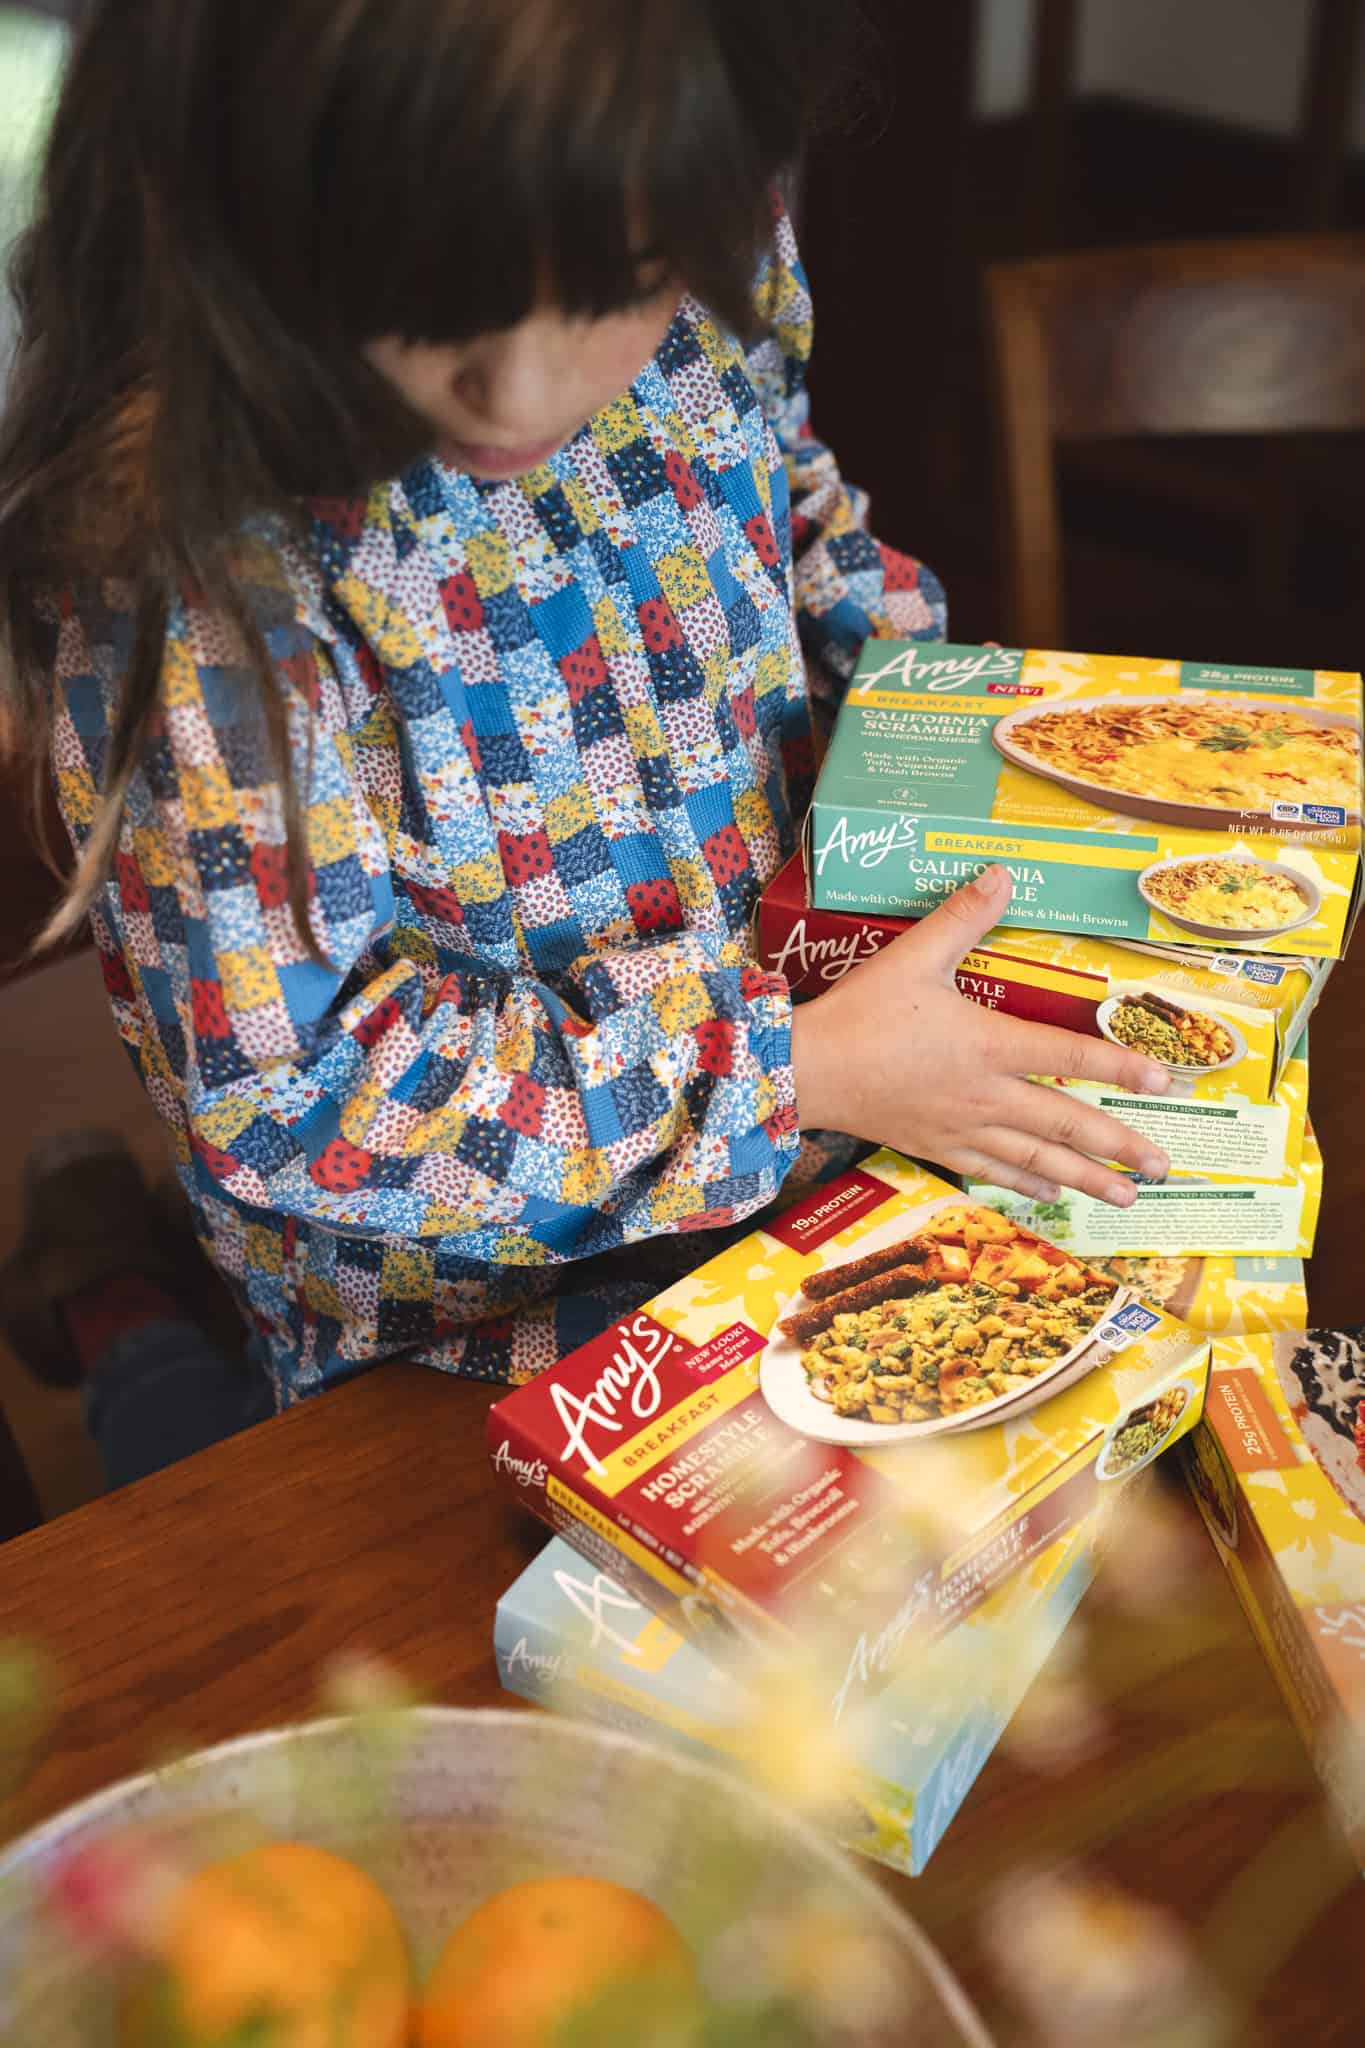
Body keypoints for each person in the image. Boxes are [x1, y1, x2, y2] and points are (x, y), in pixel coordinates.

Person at [0, 0, 1174, 1485]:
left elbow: (791, 486)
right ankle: (114, 1301)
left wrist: (930, 732)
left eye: (616, 293)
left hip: (827, 1141)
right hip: (455, 1328)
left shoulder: (691, 201)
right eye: (432, 302)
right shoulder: (188, 581)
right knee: (197, 1469)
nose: (519, 392)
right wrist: (791, 1071)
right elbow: (290, 1099)